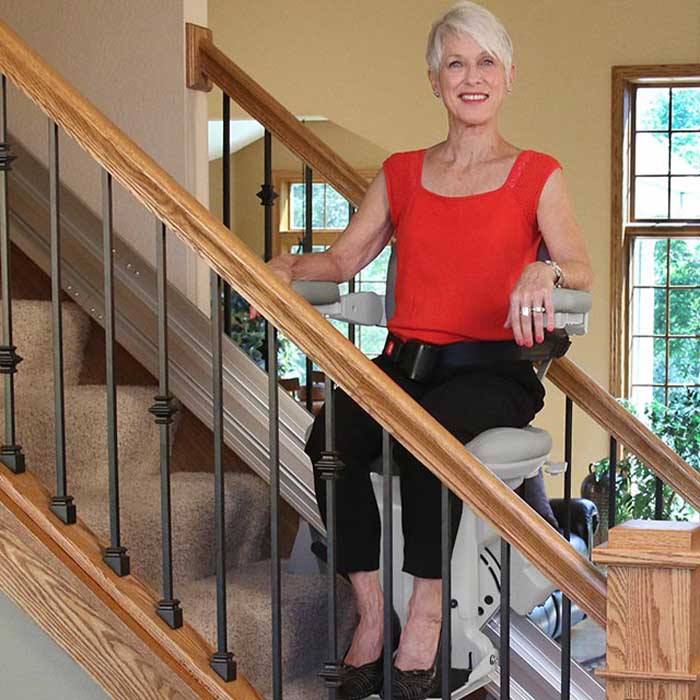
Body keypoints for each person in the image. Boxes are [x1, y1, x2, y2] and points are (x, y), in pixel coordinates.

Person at [262, 2, 592, 698]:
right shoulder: (402, 173)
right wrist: (285, 268)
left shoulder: (538, 174)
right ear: (435, 81)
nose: (471, 77)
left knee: (422, 444)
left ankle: (424, 617)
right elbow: (344, 258)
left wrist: (546, 269)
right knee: (331, 436)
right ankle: (372, 608)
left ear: (507, 76)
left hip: (495, 369)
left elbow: (581, 272)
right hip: (406, 365)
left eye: (486, 62)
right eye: (455, 63)